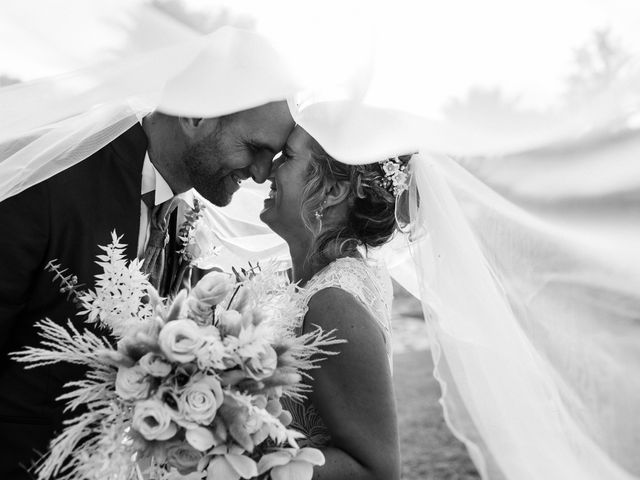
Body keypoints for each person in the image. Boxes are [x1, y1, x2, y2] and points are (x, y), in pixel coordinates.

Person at [0, 100, 294, 480]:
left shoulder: (180, 216)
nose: (260, 174)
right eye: (256, 149)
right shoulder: (51, 183)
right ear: (196, 115)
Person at [260, 125, 402, 480]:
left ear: (335, 190)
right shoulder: (313, 284)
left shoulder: (332, 301)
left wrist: (239, 461)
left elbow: (377, 470)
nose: (269, 168)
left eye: (288, 156)